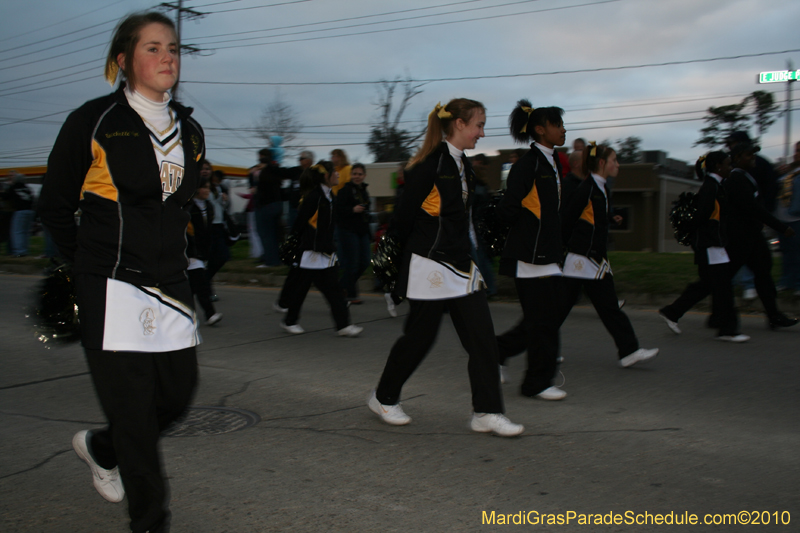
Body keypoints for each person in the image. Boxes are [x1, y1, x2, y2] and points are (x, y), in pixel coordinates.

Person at [37, 11, 202, 533]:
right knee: (135, 417)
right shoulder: (94, 120)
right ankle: (150, 521)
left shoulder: (190, 129)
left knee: (176, 397)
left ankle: (100, 447)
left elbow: (178, 209)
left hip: (171, 285)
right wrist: (88, 264)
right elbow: (55, 205)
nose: (166, 57)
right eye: (152, 48)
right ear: (123, 60)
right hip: (110, 285)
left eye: (172, 47)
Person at [368, 99, 523, 437]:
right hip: (430, 264)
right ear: (458, 125)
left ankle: (486, 411)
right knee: (420, 338)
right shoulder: (429, 166)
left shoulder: (462, 165)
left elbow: (463, 220)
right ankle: (383, 397)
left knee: (482, 338)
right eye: (478, 125)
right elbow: (403, 220)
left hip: (460, 264)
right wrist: (392, 273)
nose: (482, 132)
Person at [495, 100, 569, 400]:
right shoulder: (528, 165)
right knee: (543, 323)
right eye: (558, 125)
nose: (564, 130)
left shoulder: (551, 161)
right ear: (540, 130)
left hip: (548, 255)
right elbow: (508, 208)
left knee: (543, 320)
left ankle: (497, 351)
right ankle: (536, 383)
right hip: (530, 256)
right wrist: (523, 236)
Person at [560, 143, 660, 362]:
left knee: (608, 307)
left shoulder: (601, 188)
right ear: (602, 163)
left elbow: (594, 221)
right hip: (581, 260)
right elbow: (566, 222)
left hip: (594, 260)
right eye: (615, 160)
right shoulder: (587, 189)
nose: (618, 165)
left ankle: (629, 351)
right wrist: (573, 249)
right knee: (557, 312)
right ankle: (512, 349)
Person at [658, 152, 747, 341]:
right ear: (717, 167)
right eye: (727, 164)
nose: (730, 167)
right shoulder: (711, 187)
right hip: (712, 246)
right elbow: (702, 217)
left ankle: (672, 312)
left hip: (712, 245)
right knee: (723, 287)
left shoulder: (715, 186)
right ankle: (728, 330)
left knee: (707, 285)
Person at [279, 161, 363, 337]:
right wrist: (294, 247)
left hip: (324, 252)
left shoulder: (329, 196)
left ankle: (343, 326)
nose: (338, 174)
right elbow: (299, 224)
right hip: (310, 252)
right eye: (335, 172)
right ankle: (290, 321)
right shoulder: (314, 197)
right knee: (301, 290)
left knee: (334, 291)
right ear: (326, 176)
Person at [724, 141, 797, 329]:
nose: (753, 158)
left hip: (752, 236)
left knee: (763, 274)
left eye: (753, 154)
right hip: (740, 238)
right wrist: (782, 227)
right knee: (719, 278)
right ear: (738, 158)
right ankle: (678, 310)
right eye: (749, 155)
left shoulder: (745, 176)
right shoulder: (736, 179)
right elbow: (754, 209)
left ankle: (774, 316)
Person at [186, 178, 223, 325]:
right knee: (201, 284)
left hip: (201, 251)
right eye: (204, 188)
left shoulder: (209, 206)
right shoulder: (188, 207)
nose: (207, 190)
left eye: (208, 188)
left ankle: (186, 313)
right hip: (190, 252)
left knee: (194, 286)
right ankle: (210, 314)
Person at [335, 162, 372, 303]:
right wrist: (352, 210)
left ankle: (342, 287)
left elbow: (366, 213)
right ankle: (350, 294)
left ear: (364, 176)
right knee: (353, 263)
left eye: (360, 174)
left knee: (365, 261)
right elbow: (338, 210)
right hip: (348, 231)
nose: (357, 176)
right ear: (351, 175)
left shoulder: (364, 191)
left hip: (362, 231)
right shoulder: (345, 190)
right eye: (355, 174)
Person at [774, 141, 800, 295]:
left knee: (797, 253)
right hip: (782, 220)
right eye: (796, 150)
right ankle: (787, 281)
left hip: (797, 219)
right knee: (787, 252)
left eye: (799, 151)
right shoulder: (789, 172)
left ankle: (798, 284)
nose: (796, 154)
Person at [252, 148, 284, 267]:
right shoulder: (275, 169)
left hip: (266, 204)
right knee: (274, 234)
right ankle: (274, 258)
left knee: (267, 234)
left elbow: (261, 186)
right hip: (275, 203)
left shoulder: (266, 170)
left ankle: (271, 260)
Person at [204, 164, 231, 299]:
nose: (205, 171)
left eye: (208, 169)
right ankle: (207, 291)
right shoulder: (196, 186)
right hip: (205, 226)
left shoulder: (218, 187)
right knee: (206, 259)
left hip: (219, 225)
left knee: (222, 257)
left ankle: (203, 282)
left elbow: (223, 206)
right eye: (202, 168)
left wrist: (224, 200)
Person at [4, 171, 35, 257]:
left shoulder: (13, 187)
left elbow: (6, 196)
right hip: (30, 211)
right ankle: (24, 250)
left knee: (17, 232)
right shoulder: (26, 188)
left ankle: (19, 251)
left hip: (20, 211)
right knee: (25, 232)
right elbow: (32, 198)